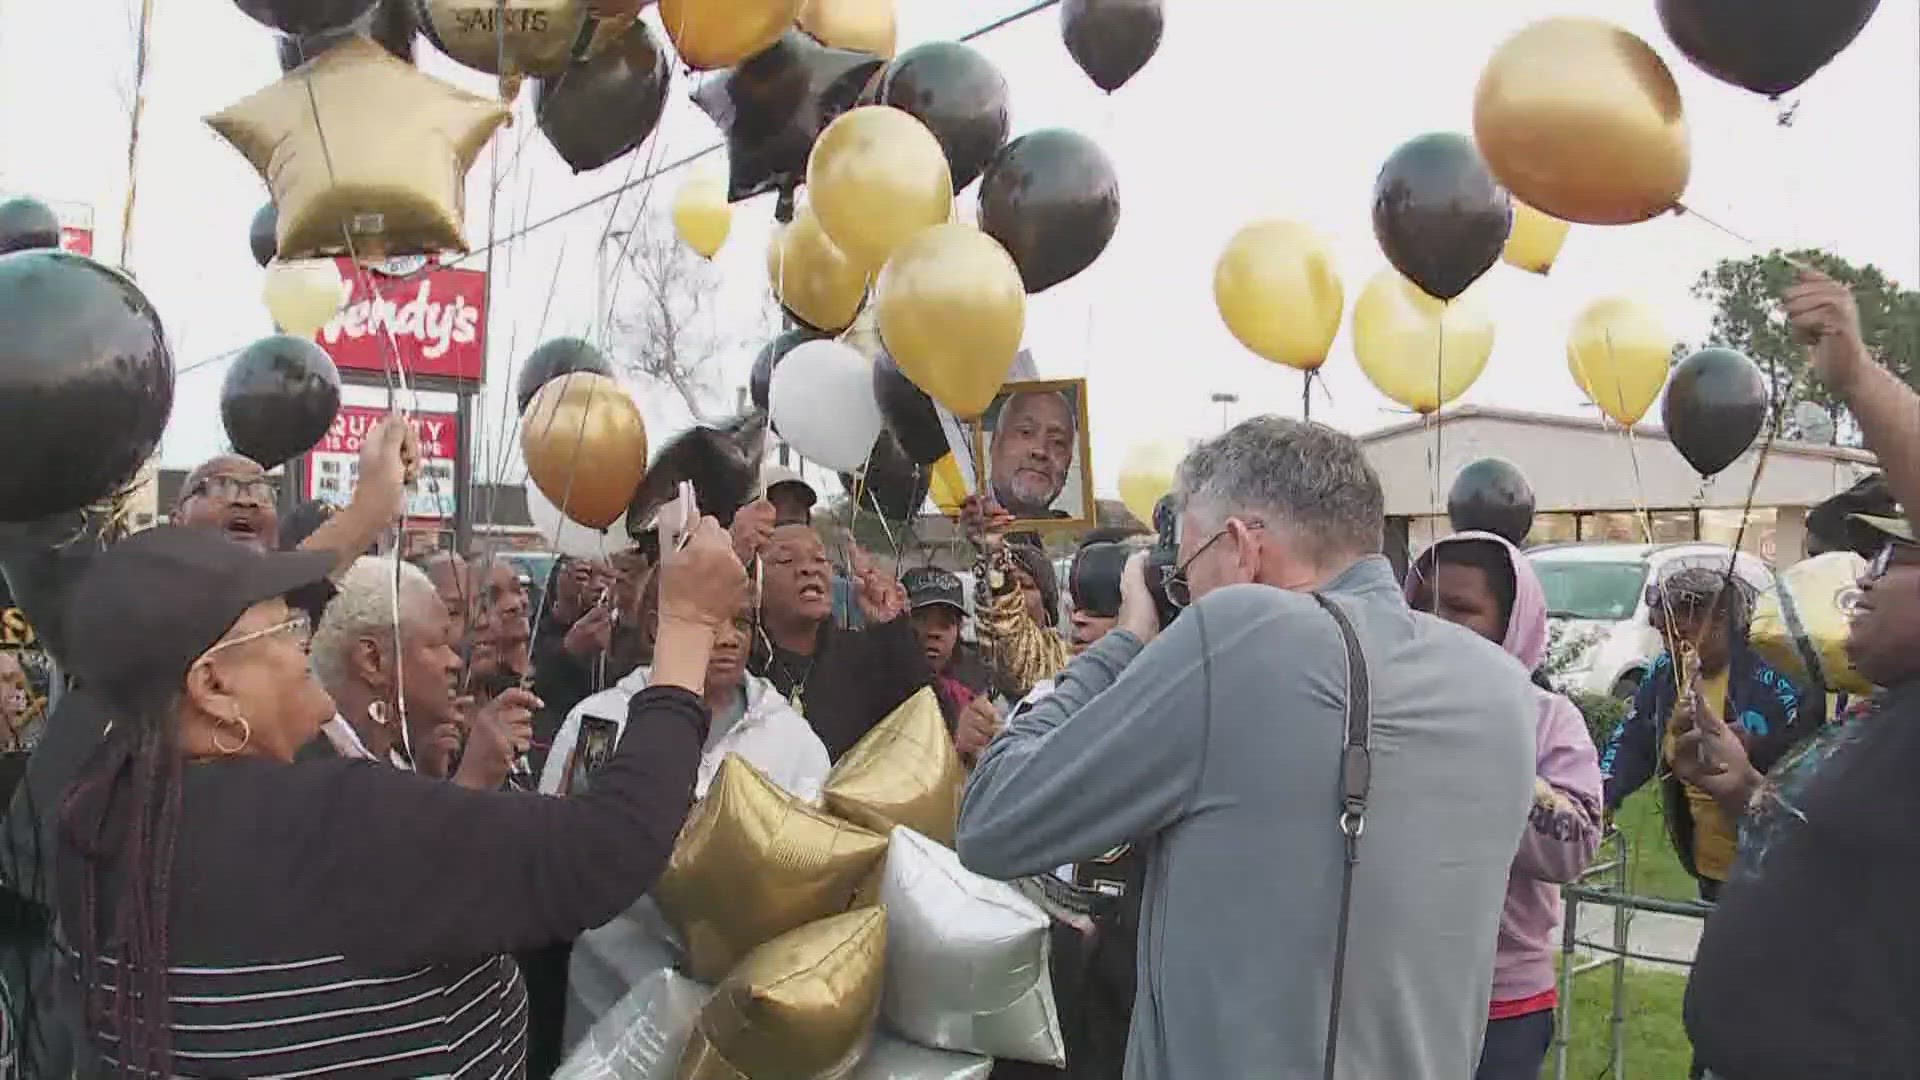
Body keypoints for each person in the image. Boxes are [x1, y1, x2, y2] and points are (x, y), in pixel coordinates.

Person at [19, 515, 745, 1078]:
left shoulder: (97, 815)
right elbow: (606, 848)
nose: (310, 636)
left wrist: (369, 508)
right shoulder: (333, 826)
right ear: (211, 686)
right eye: (286, 625)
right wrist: (685, 632)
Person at [957, 416, 1537, 1080]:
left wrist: (1123, 641)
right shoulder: (1503, 689)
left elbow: (993, 821)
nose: (1186, 599)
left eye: (1186, 577)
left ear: (1240, 548)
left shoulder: (1237, 634)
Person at [1671, 271, 1920, 1080]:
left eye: (1893, 555)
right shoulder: (1881, 715)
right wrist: (1743, 789)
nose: (1865, 576)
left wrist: (1854, 374)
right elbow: (1842, 855)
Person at [536, 579, 829, 1063]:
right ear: (657, 629)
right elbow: (563, 854)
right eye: (712, 622)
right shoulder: (602, 721)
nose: (731, 638)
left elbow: (818, 867)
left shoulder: (793, 738)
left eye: (741, 623)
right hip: (612, 1010)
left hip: (739, 1023)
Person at [1404, 533, 1604, 1080]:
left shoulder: (1545, 720)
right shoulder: (1387, 709)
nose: (1436, 623)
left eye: (1462, 609)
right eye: (1422, 606)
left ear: (1512, 623)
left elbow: (1575, 849)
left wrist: (1483, 754)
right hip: (1398, 991)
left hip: (1503, 1001)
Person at [1598, 566, 1817, 901]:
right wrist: (1604, 793)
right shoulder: (1665, 672)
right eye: (1662, 633)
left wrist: (1750, 745)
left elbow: (1806, 759)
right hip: (1707, 861)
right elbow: (1634, 740)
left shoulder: (1775, 673)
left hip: (1773, 862)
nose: (1671, 644)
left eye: (1682, 633)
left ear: (1720, 619)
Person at [308, 556, 536, 788]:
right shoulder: (313, 772)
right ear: (372, 660)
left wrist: (431, 780)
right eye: (437, 644)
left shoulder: (392, 758)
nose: (455, 661)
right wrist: (472, 782)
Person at [746, 523, 932, 760]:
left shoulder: (864, 658)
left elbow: (925, 720)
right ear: (753, 585)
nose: (808, 569)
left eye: (819, 559)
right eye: (786, 560)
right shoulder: (740, 667)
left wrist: (891, 626)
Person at [963, 496, 1071, 703]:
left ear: (1048, 608)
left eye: (1025, 585)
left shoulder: (1064, 661)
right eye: (1013, 587)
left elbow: (1022, 662)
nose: (1015, 595)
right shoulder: (979, 674)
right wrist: (993, 560)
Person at [901, 566, 1001, 761]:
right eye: (922, 619)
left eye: (945, 623)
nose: (933, 632)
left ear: (959, 628)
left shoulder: (980, 684)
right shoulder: (878, 684)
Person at [989, 390, 1078, 519]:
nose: (1040, 451)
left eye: (1057, 442)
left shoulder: (1074, 535)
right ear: (995, 443)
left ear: (1068, 463)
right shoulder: (955, 512)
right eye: (1026, 432)